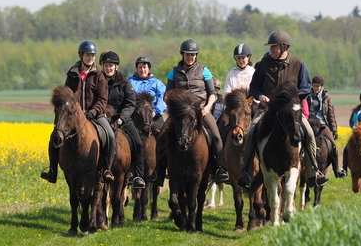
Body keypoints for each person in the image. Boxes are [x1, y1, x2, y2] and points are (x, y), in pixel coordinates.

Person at [237, 30, 328, 188]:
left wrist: (290, 101)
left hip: (290, 111)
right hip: (267, 109)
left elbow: (305, 87)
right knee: (251, 132)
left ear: (284, 47)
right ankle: (246, 171)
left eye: (274, 46)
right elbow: (255, 85)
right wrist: (261, 96)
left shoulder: (299, 63)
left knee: (309, 133)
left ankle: (314, 171)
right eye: (271, 47)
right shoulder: (264, 63)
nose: (271, 49)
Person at [41, 40, 115, 184]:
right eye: (88, 55)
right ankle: (52, 171)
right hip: (74, 115)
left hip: (95, 115)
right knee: (55, 135)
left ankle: (107, 169)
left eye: (93, 56)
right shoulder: (72, 75)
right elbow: (66, 96)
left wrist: (93, 112)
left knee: (110, 135)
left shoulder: (99, 75)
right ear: (81, 55)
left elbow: (102, 99)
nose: (90, 58)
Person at [165, 39, 229, 183]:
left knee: (216, 136)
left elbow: (212, 92)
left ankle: (219, 169)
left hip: (200, 111)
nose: (190, 57)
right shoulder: (173, 72)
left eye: (193, 55)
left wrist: (207, 108)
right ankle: (160, 168)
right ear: (183, 55)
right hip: (180, 113)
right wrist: (175, 107)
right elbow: (167, 94)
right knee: (163, 134)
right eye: (188, 54)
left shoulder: (204, 70)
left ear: (196, 55)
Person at [99, 51, 145, 189]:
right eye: (106, 65)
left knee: (137, 142)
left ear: (116, 67)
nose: (109, 68)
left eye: (111, 66)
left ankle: (138, 175)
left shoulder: (125, 83)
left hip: (121, 119)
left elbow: (130, 104)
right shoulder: (97, 81)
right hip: (101, 117)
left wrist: (122, 118)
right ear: (102, 66)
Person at [308, 75, 347, 178]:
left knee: (333, 145)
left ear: (322, 86)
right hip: (309, 123)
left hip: (322, 124)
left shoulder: (327, 97)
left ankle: (336, 169)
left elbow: (330, 114)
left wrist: (334, 129)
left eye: (318, 86)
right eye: (314, 86)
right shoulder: (307, 95)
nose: (315, 88)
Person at [128, 55, 167, 120]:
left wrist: (156, 111)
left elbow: (162, 99)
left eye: (144, 67)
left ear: (148, 68)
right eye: (140, 67)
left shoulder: (157, 83)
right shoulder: (130, 81)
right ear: (137, 69)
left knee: (163, 129)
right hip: (134, 114)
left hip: (153, 114)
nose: (142, 70)